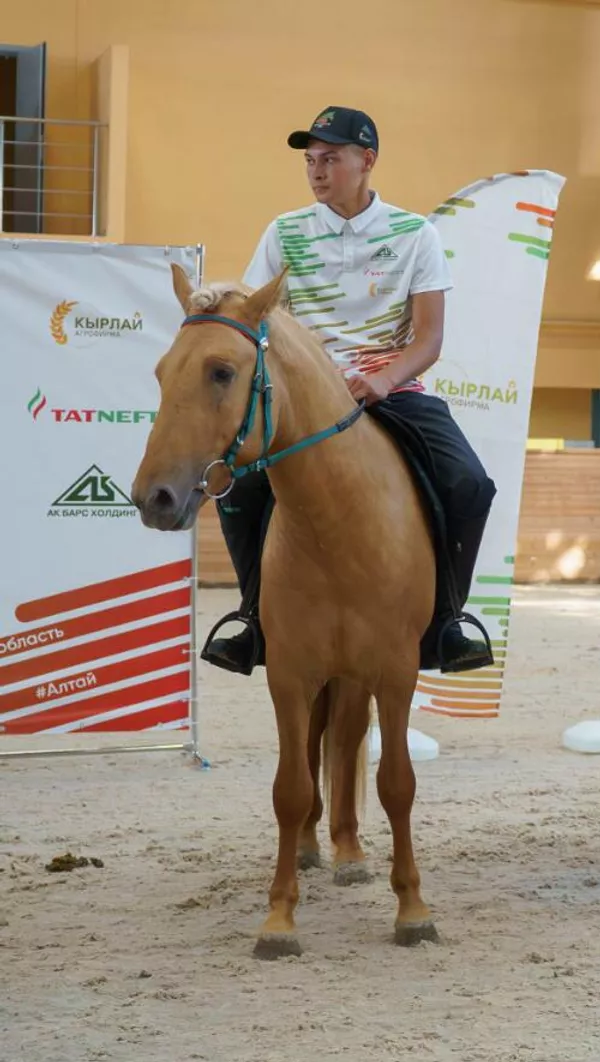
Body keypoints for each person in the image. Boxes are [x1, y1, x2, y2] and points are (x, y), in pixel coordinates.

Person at [199, 105, 497, 676]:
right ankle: (253, 617)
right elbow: (258, 319)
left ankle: (448, 620)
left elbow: (429, 340)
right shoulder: (283, 232)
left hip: (392, 389)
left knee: (470, 483)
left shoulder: (415, 234)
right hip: (302, 397)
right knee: (235, 487)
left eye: (330, 158)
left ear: (367, 161)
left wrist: (383, 379)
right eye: (311, 160)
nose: (316, 171)